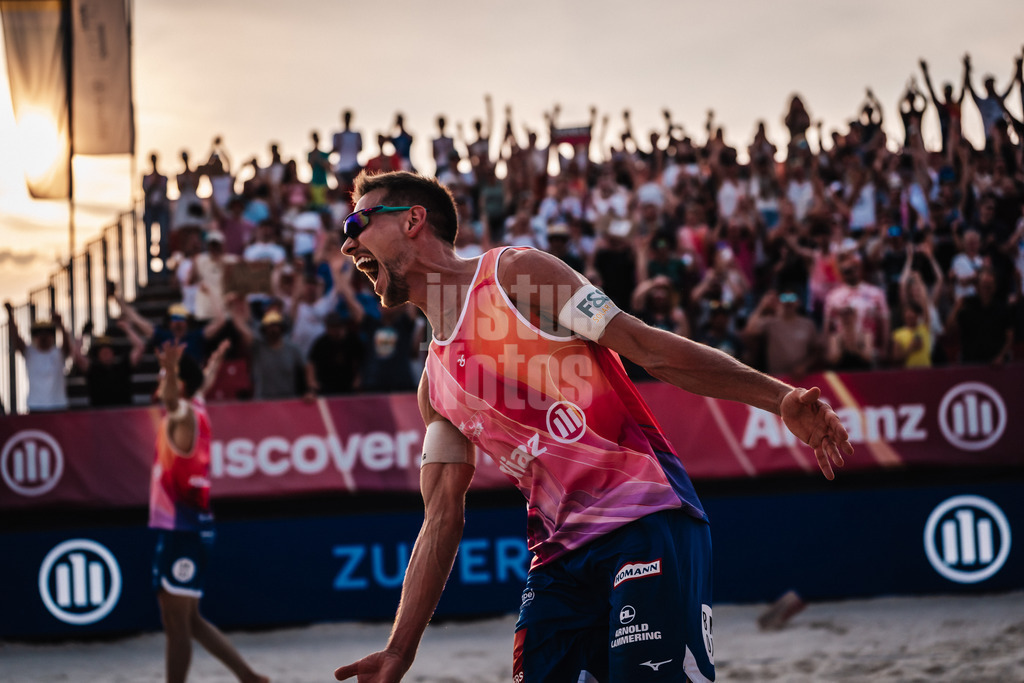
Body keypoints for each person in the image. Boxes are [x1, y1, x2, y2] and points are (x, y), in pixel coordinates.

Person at [334, 171, 852, 683]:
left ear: (413, 220)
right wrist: (399, 650)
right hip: (557, 560)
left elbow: (646, 346)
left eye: (357, 222)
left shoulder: (517, 276)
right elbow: (441, 518)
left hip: (645, 517)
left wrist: (778, 397)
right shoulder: (435, 388)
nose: (347, 242)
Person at [150, 341, 268, 683]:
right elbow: (202, 383)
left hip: (183, 529)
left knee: (177, 625)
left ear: (180, 384)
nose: (160, 383)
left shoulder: (183, 414)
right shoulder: (198, 405)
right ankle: (250, 678)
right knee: (189, 622)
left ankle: (247, 677)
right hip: (188, 526)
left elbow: (172, 401)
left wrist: (169, 369)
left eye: (166, 378)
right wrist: (213, 363)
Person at [4, 304, 71, 412]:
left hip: (58, 406)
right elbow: (16, 339)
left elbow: (68, 346)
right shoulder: (30, 353)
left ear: (52, 336)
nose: (43, 336)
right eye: (39, 333)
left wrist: (61, 325)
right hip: (35, 406)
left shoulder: (59, 353)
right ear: (34, 336)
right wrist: (10, 316)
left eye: (47, 333)